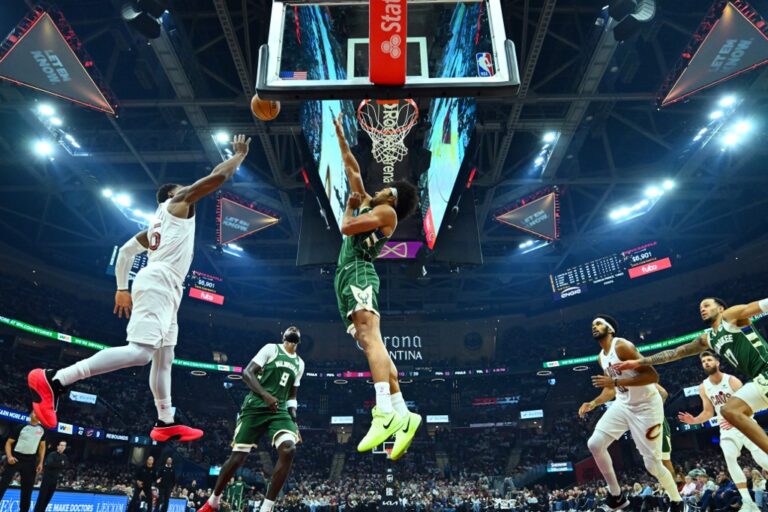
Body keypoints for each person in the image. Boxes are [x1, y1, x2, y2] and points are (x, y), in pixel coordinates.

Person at [27, 134, 252, 441]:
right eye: (181, 190)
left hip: (168, 287)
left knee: (165, 358)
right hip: (159, 280)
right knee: (141, 354)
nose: (187, 194)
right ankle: (56, 380)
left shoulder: (156, 226)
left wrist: (122, 288)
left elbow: (124, 252)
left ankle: (165, 420)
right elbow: (217, 177)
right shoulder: (176, 203)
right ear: (171, 195)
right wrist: (239, 155)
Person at [331, 114, 421, 460]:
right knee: (375, 345)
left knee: (370, 339)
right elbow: (352, 168)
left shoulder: (388, 214)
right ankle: (403, 413)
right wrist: (341, 136)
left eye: (388, 187)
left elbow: (346, 228)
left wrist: (348, 209)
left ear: (393, 196)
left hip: (359, 272)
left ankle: (382, 411)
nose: (380, 186)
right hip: (345, 277)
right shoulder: (371, 201)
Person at [615, 296, 768, 453]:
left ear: (721, 308)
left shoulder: (730, 316)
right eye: (701, 307)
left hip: (766, 370)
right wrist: (640, 362)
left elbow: (760, 306)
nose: (702, 309)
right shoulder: (708, 339)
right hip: (759, 378)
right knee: (732, 411)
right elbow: (676, 353)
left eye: (707, 305)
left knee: (730, 410)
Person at [578, 315, 683, 511]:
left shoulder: (622, 346)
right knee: (594, 443)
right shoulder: (601, 357)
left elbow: (652, 375)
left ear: (610, 329)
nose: (595, 326)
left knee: (652, 465)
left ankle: (677, 501)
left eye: (599, 323)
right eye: (592, 324)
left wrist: (616, 382)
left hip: (647, 407)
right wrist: (593, 403)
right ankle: (616, 495)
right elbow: (611, 390)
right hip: (623, 405)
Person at [199, 327, 304, 512]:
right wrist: (265, 395)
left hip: (279, 411)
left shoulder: (300, 363)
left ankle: (266, 507)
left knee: (289, 448)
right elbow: (247, 373)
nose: (294, 329)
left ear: (299, 340)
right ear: (283, 336)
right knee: (237, 458)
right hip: (255, 405)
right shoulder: (271, 349)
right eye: (290, 328)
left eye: (296, 329)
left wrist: (294, 422)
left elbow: (292, 397)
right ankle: (213, 501)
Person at [677, 351, 768, 512]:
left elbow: (749, 406)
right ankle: (748, 503)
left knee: (762, 459)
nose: (706, 363)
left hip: (744, 424)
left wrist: (734, 418)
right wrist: (694, 420)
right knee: (729, 456)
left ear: (717, 362)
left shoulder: (732, 381)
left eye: (709, 359)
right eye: (703, 361)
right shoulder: (703, 387)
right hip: (726, 429)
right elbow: (708, 412)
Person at [0, 412, 45, 512]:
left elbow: (42, 447)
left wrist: (41, 462)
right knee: (3, 484)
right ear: (30, 415)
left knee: (27, 489)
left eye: (39, 414)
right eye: (35, 413)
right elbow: (8, 443)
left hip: (31, 460)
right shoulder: (20, 427)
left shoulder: (42, 430)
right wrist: (9, 456)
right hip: (16, 457)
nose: (37, 415)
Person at [33, 440, 68, 512]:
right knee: (41, 498)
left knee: (48, 498)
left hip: (54, 480)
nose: (62, 447)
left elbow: (65, 465)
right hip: (47, 479)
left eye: (64, 445)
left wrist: (59, 464)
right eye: (61, 445)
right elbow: (49, 464)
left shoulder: (64, 456)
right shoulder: (52, 454)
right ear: (57, 446)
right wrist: (60, 464)